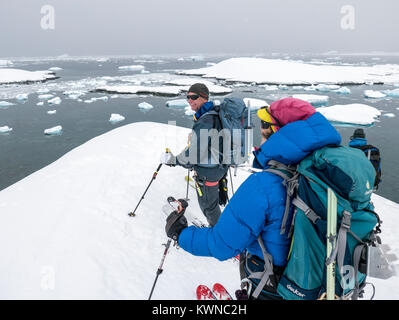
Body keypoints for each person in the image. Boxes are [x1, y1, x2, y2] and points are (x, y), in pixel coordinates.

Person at [165, 97, 341, 300]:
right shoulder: (328, 178)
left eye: (264, 130)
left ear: (278, 134)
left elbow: (221, 245)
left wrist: (180, 234)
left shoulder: (264, 185)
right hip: (323, 286)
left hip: (274, 287)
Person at [160, 83, 229, 227]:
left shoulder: (205, 120)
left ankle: (220, 237)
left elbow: (194, 155)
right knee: (212, 203)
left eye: (194, 97)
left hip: (208, 171)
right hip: (220, 166)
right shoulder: (215, 114)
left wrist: (174, 160)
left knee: (209, 207)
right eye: (188, 97)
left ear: (204, 97)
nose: (190, 100)